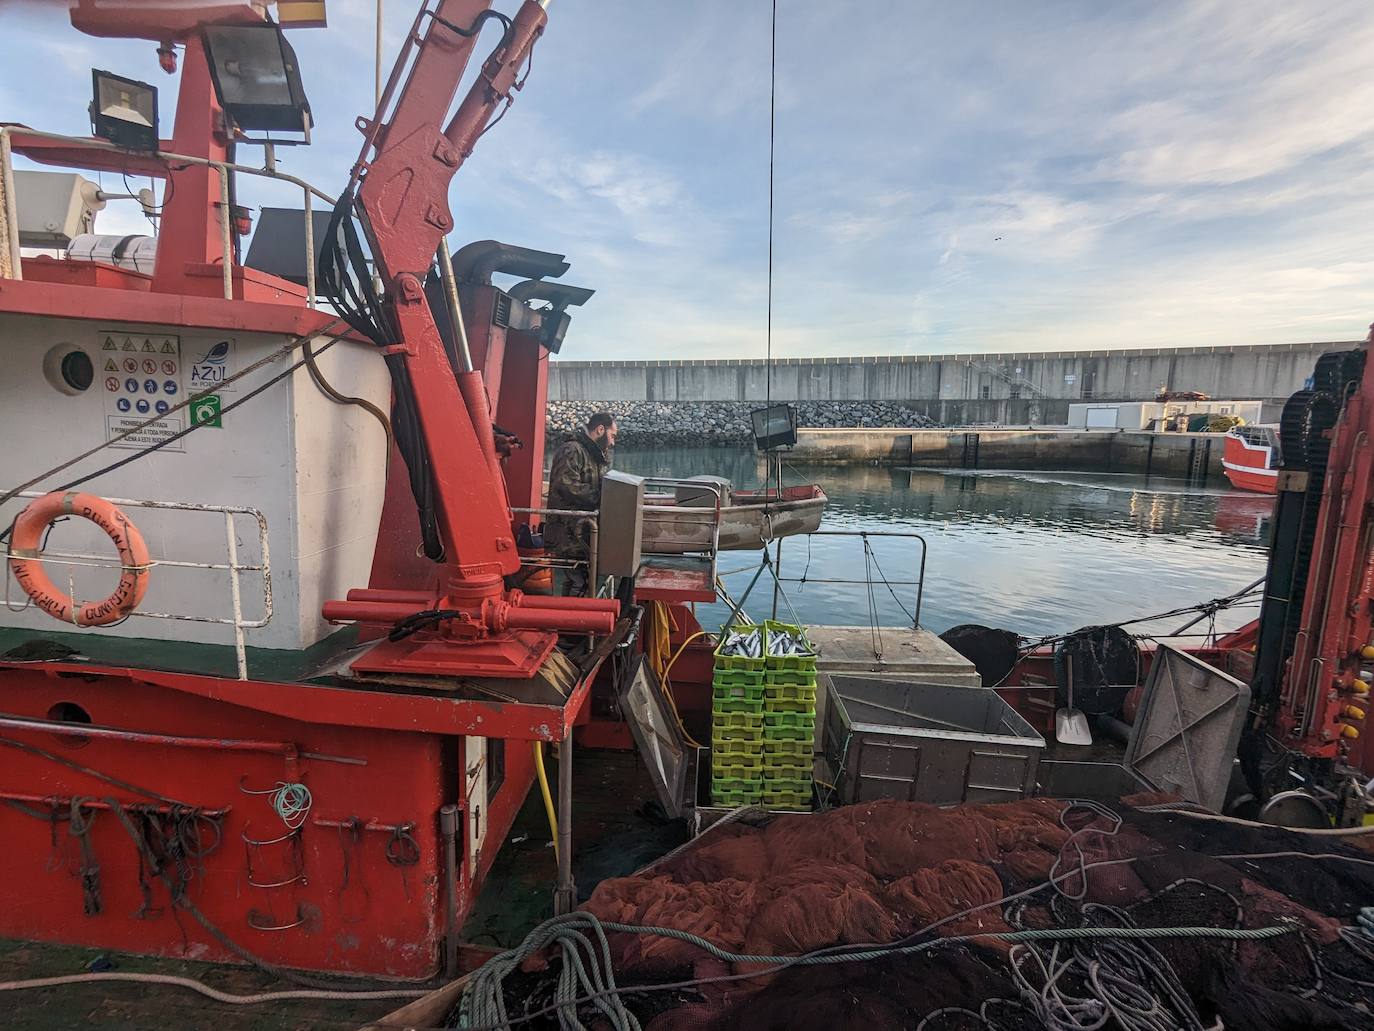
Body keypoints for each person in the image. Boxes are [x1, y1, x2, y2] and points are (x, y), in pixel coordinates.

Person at [544, 411, 616, 596]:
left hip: (581, 532)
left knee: (580, 580)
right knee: (578, 580)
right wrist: (602, 497)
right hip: (568, 531)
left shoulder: (593, 454)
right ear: (600, 429)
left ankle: (570, 619)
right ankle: (572, 621)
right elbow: (566, 485)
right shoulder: (573, 450)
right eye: (612, 435)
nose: (613, 442)